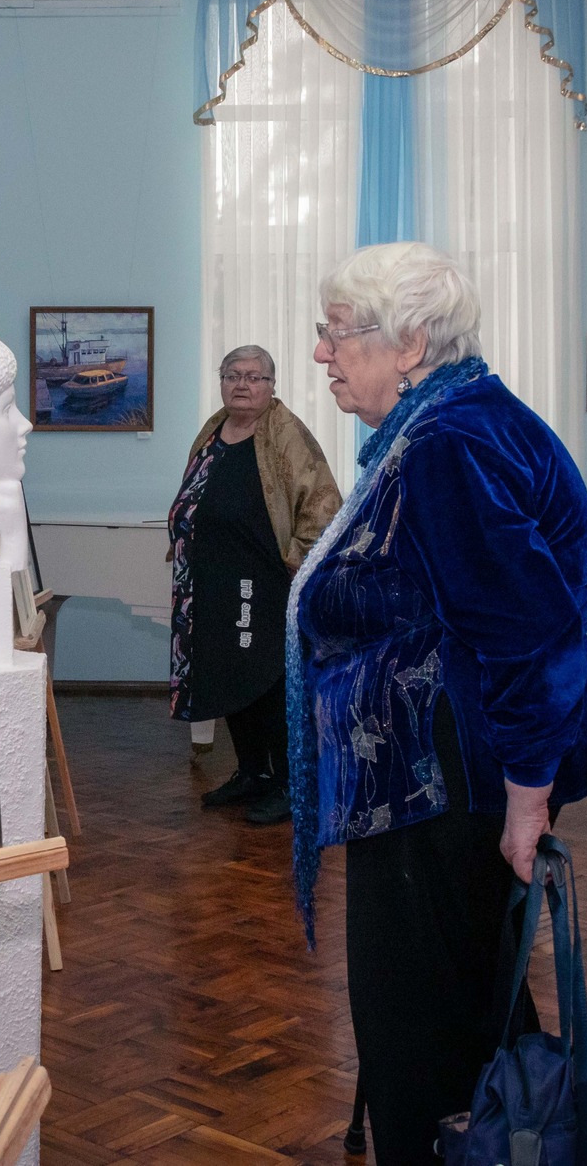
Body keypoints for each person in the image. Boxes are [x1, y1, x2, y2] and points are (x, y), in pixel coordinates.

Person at [284, 243, 587, 1166]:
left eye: (337, 333)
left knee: (421, 1024)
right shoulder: (449, 422)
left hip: (443, 786)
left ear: (413, 343)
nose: (322, 354)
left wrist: (526, 797)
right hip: (431, 776)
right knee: (466, 999)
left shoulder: (448, 445)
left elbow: (528, 630)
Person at [168, 345, 341, 825]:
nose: (242, 385)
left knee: (268, 681)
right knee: (228, 674)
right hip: (211, 582)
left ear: (271, 385)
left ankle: (289, 784)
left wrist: (297, 563)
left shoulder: (286, 434)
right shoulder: (214, 428)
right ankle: (251, 772)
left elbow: (324, 504)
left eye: (254, 377)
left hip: (261, 584)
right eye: (232, 375)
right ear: (221, 381)